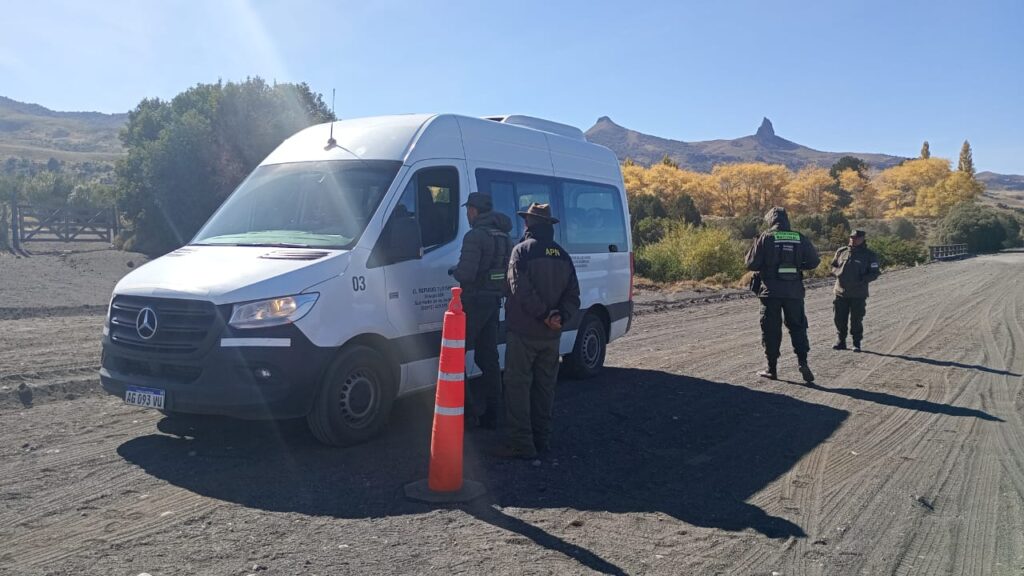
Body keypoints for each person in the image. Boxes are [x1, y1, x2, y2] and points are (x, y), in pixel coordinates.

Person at [494, 203, 580, 459]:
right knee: (545, 388)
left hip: (523, 333)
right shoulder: (563, 256)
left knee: (518, 387)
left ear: (529, 224)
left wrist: (544, 315)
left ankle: (521, 444)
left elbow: (519, 289)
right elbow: (573, 295)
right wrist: (558, 317)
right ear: (549, 226)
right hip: (551, 336)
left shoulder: (521, 251)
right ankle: (542, 439)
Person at [449, 192, 513, 429]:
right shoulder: (504, 237)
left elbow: (466, 273)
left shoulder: (475, 236)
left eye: (468, 210)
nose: (467, 214)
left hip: (473, 303)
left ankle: (465, 411)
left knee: (456, 355)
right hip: (494, 301)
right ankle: (493, 412)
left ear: (474, 210)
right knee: (488, 357)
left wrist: (454, 271)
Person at [745, 207, 821, 382]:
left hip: (770, 292)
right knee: (798, 327)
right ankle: (803, 362)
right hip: (794, 291)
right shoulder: (799, 237)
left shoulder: (766, 237)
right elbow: (814, 261)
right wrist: (796, 266)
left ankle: (772, 369)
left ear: (771, 220)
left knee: (771, 329)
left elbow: (751, 263)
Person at [830, 229, 880, 352]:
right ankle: (841, 341)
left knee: (856, 320)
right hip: (840, 292)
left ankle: (856, 343)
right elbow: (833, 266)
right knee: (839, 319)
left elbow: (875, 273)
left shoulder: (869, 255)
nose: (853, 239)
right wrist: (838, 273)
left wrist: (862, 280)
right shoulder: (841, 251)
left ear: (862, 239)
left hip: (858, 293)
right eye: (852, 237)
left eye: (856, 238)